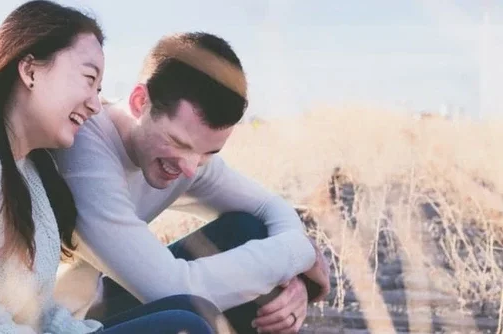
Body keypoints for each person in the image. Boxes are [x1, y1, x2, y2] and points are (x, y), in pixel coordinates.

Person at [0, 2, 221, 333]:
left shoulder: (28, 171)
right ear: (30, 70)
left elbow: (38, 313)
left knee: (189, 309)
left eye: (100, 90)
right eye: (88, 79)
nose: (95, 104)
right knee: (183, 326)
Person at [51, 32, 332, 334]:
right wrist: (298, 255)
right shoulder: (83, 150)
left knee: (249, 230)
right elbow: (171, 288)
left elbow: (269, 206)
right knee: (188, 322)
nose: (189, 168)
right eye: (178, 143)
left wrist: (294, 282)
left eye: (208, 153)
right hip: (55, 323)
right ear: (140, 102)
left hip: (98, 305)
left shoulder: (190, 159)